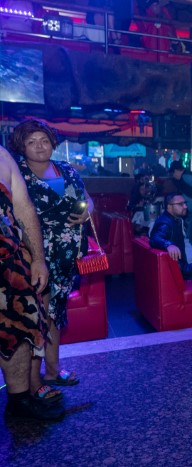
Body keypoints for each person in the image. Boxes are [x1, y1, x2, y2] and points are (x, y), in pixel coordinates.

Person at [10, 119, 92, 397]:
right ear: (21, 146)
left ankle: (53, 370)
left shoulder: (66, 169)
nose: (39, 146)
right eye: (31, 142)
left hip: (66, 257)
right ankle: (33, 384)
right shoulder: (16, 173)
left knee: (55, 313)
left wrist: (88, 211)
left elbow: (87, 198)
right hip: (34, 256)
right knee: (37, 317)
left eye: (44, 140)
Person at [0, 145, 62, 421]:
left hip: (9, 262)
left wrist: (38, 259)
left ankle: (19, 400)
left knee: (19, 328)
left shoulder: (2, 156)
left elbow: (23, 208)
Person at [149, 192, 192, 279]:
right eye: (180, 204)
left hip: (187, 262)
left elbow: (186, 242)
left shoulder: (177, 219)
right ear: (169, 206)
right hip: (184, 269)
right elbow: (155, 238)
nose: (185, 206)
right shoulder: (165, 222)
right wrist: (169, 245)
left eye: (185, 203)